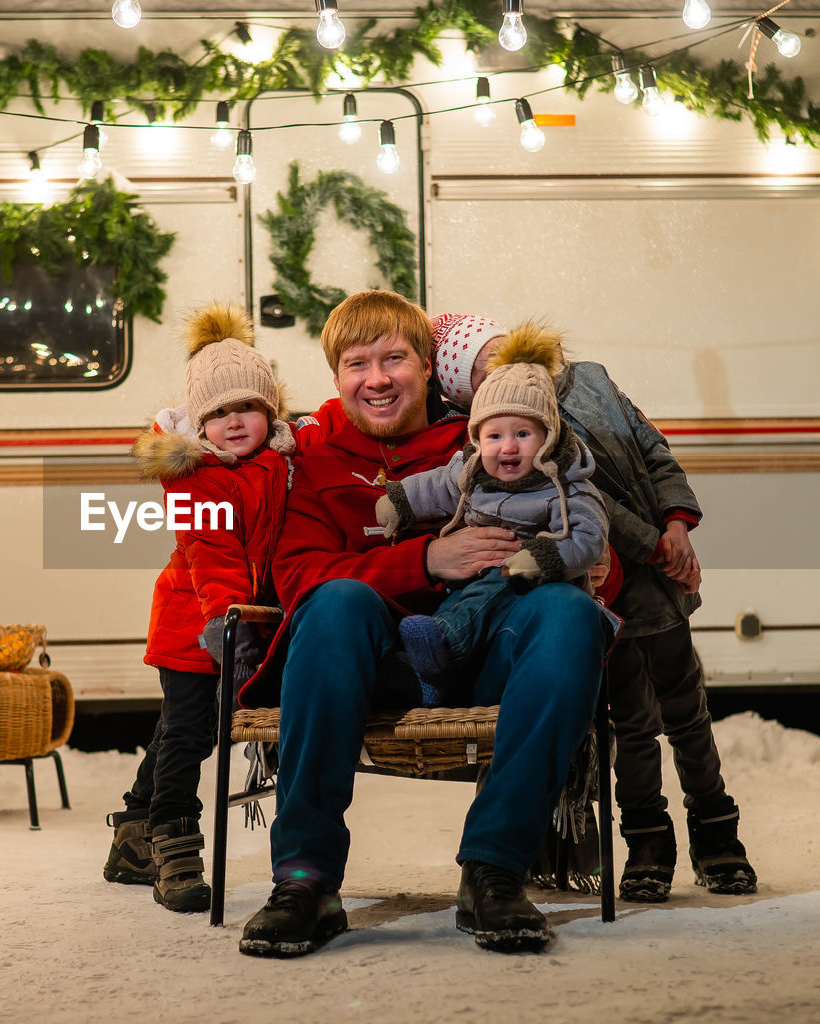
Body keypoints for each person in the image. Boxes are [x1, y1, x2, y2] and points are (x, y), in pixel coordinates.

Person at [235, 290, 612, 957]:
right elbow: (298, 579)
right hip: (374, 665)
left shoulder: (487, 440)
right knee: (335, 601)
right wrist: (426, 557)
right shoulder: (310, 460)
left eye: (394, 359)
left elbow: (572, 518)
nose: (376, 378)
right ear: (336, 378)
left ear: (428, 368)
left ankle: (493, 871)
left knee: (572, 615)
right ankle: (306, 879)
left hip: (485, 658)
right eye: (358, 363)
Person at [432, 310, 757, 903]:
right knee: (631, 723)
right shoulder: (520, 437)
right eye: (482, 375)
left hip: (660, 577)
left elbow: (651, 447)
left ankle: (718, 834)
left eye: (496, 352)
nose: (501, 369)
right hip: (611, 588)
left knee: (688, 711)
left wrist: (678, 522)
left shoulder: (593, 380)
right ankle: (648, 842)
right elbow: (595, 500)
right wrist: (657, 547)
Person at [103, 302, 294, 913]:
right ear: (197, 422)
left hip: (244, 624)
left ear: (269, 410)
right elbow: (209, 554)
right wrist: (226, 623)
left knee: (182, 731)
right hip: (198, 625)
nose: (233, 422)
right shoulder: (194, 479)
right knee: (190, 734)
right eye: (217, 413)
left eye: (247, 407)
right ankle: (174, 847)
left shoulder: (282, 465)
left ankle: (131, 835)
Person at [373, 324, 609, 699]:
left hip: (531, 586)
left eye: (523, 434)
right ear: (477, 439)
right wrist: (401, 501)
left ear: (548, 436)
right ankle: (434, 677)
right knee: (460, 604)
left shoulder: (567, 485)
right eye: (494, 436)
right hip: (471, 581)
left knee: (493, 592)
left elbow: (587, 537)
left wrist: (543, 557)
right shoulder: (471, 471)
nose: (508, 448)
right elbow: (439, 485)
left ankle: (444, 646)